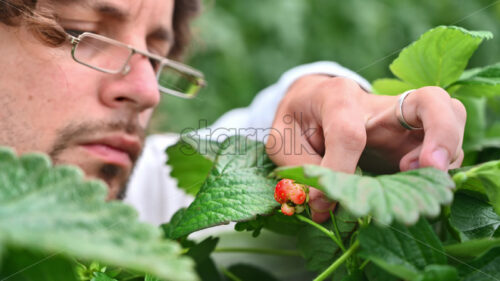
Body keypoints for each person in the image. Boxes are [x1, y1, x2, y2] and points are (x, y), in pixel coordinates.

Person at [0, 0, 466, 225]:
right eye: (80, 32)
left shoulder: (146, 212)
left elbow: (240, 152)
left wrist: (327, 105)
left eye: (157, 57)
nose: (147, 91)